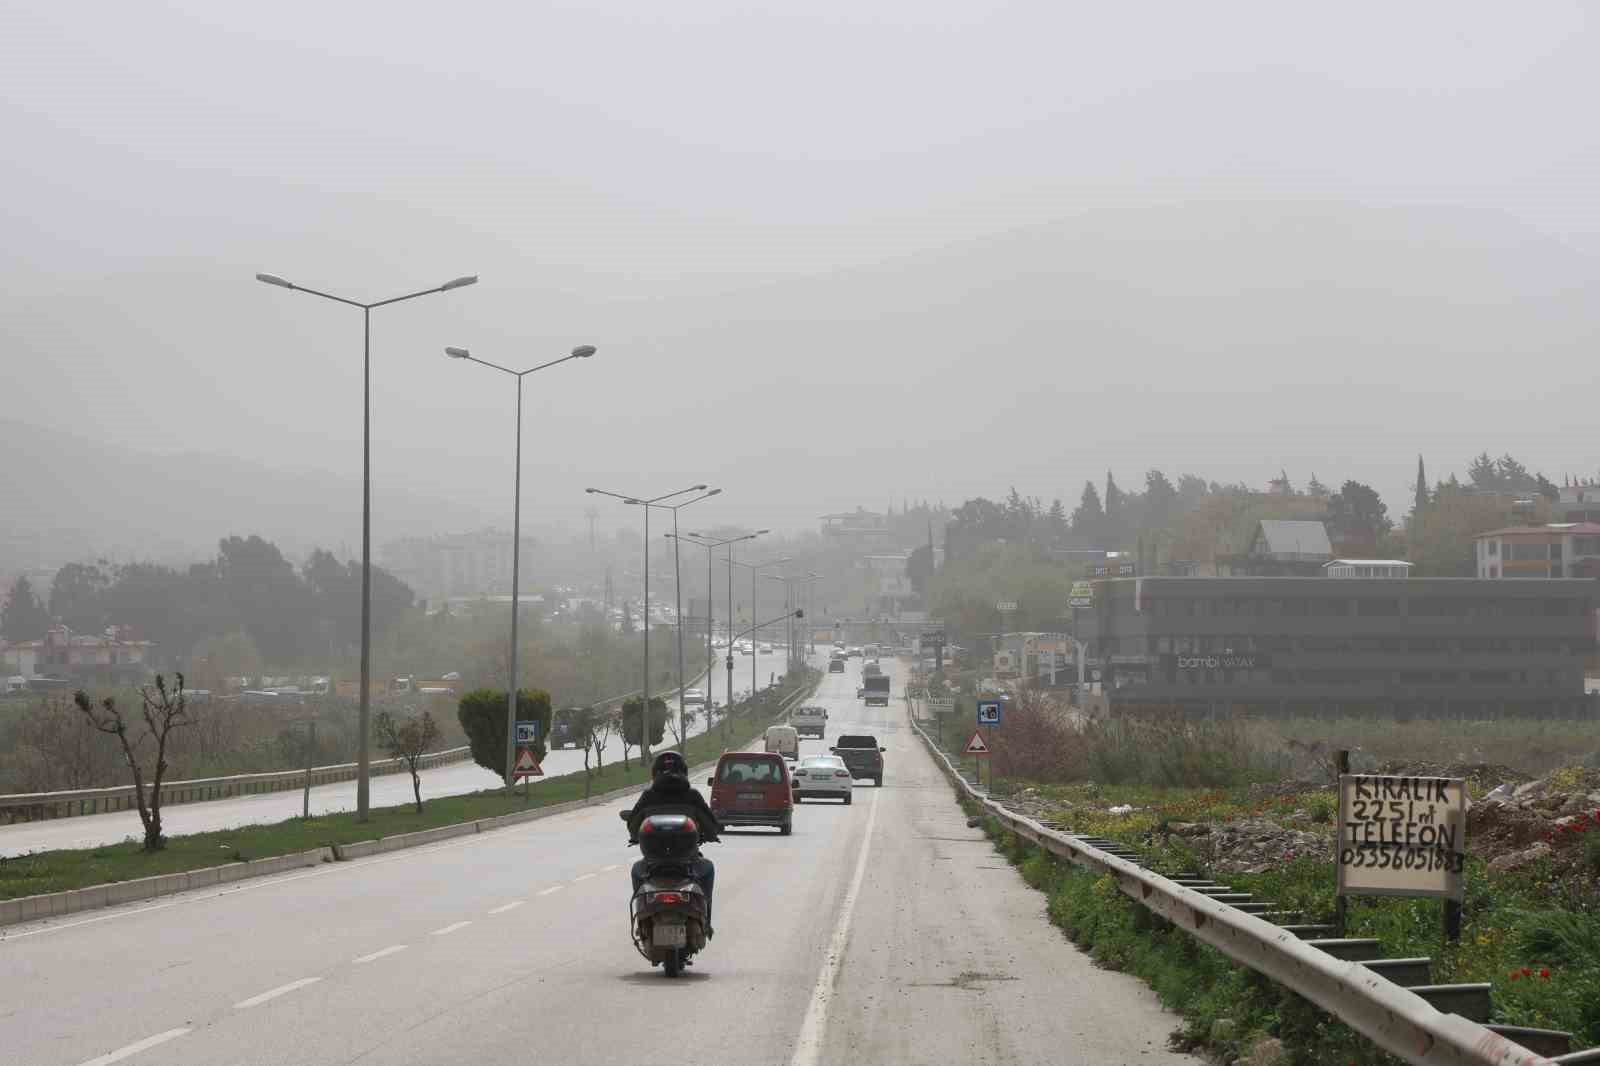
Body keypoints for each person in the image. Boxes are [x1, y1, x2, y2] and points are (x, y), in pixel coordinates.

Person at [626, 750, 720, 934]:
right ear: (684, 772)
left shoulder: (648, 796)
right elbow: (711, 825)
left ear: (655, 773)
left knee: (637, 870)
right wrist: (711, 833)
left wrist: (636, 836)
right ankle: (705, 921)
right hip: (688, 862)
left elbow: (632, 826)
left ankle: (642, 922)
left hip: (653, 864)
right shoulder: (692, 796)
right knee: (707, 869)